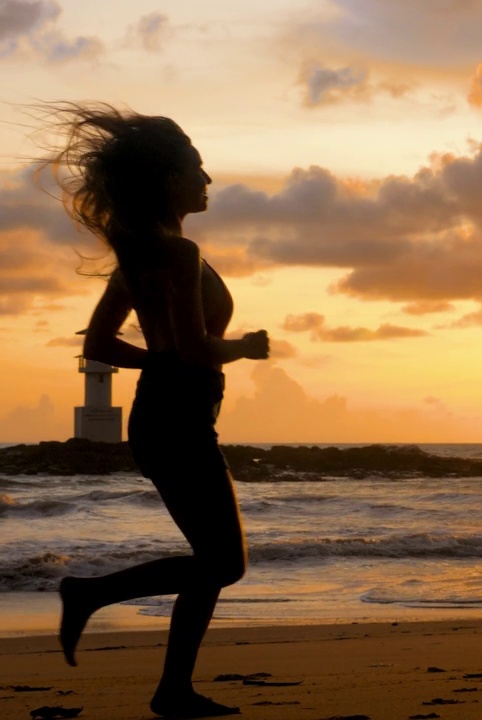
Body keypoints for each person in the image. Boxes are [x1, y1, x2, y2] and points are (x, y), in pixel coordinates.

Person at [46, 103, 270, 718]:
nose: (208, 180)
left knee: (214, 562)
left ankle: (173, 689)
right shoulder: (176, 252)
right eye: (197, 169)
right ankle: (90, 592)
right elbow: (198, 349)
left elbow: (99, 345)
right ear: (171, 181)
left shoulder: (144, 257)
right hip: (178, 420)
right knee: (223, 562)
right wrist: (244, 349)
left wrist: (160, 362)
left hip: (164, 419)